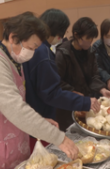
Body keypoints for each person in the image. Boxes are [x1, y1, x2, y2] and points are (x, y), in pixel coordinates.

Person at [0, 12, 79, 169]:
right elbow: (16, 110)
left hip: (11, 142)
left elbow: (15, 104)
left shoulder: (13, 60)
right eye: (31, 47)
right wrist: (59, 139)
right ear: (13, 38)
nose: (32, 52)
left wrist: (40, 121)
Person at [23, 9, 101, 151]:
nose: (62, 37)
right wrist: (83, 101)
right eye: (62, 33)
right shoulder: (43, 53)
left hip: (37, 115)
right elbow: (52, 92)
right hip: (42, 115)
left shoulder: (40, 50)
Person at [55, 17, 110, 131]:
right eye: (87, 38)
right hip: (68, 105)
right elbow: (57, 81)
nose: (90, 41)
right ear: (76, 35)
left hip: (85, 102)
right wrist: (73, 91)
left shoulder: (90, 52)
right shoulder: (63, 53)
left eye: (92, 38)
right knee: (69, 132)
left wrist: (101, 89)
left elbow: (94, 76)